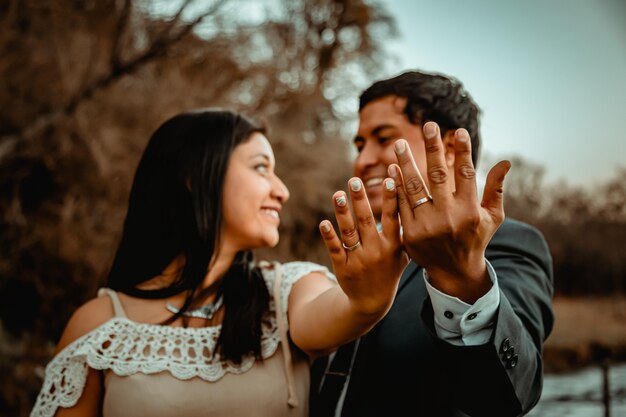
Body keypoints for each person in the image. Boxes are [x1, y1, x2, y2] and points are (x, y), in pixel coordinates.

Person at [29, 109, 408, 417]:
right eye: (261, 167)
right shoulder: (100, 324)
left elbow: (338, 315)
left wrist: (368, 300)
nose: (282, 190)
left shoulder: (287, 291)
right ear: (194, 176)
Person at [310, 71, 554, 417]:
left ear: (450, 149)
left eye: (384, 138)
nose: (363, 161)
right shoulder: (359, 253)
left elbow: (509, 397)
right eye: (360, 144)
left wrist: (461, 277)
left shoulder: (511, 244)